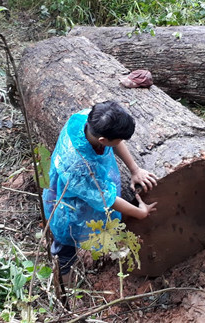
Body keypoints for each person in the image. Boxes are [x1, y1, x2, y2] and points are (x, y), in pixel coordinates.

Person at [42, 100, 158, 285]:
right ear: (103, 141)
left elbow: (115, 141)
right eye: (118, 140)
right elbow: (106, 198)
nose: (120, 142)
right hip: (68, 205)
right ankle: (69, 293)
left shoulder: (90, 119)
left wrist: (135, 169)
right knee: (65, 247)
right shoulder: (80, 165)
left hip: (91, 186)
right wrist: (141, 213)